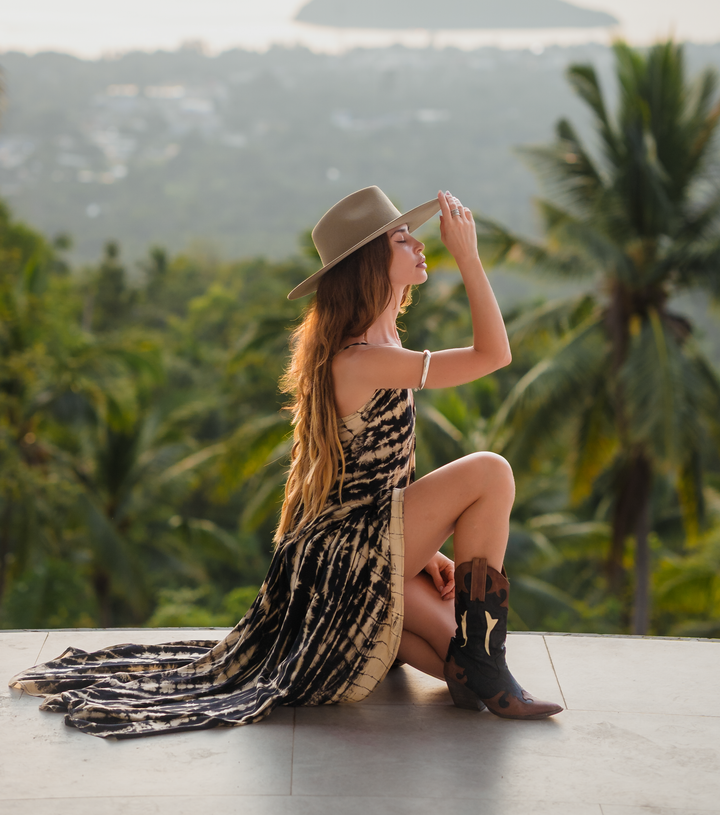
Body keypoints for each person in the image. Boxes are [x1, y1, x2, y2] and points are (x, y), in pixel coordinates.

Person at [9, 186, 561, 737]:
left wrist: (425, 551)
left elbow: (375, 470)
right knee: (491, 470)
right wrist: (468, 256)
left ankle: (463, 661)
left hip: (354, 544)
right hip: (346, 552)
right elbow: (495, 355)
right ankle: (488, 666)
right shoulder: (359, 359)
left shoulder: (381, 340)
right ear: (371, 261)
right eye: (401, 239)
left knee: (457, 671)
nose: (419, 246)